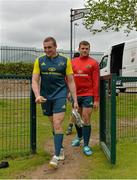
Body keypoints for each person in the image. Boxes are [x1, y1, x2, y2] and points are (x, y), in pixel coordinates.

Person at [32, 37, 78, 168]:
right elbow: (34, 80)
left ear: (56, 46)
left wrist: (75, 99)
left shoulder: (64, 61)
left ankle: (56, 156)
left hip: (60, 95)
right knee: (53, 124)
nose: (47, 50)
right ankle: (61, 148)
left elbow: (70, 81)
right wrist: (37, 95)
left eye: (49, 47)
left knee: (57, 123)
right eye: (45, 48)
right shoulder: (39, 61)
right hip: (45, 97)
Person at [71, 40, 99, 156]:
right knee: (76, 117)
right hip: (76, 95)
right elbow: (68, 79)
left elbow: (96, 82)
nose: (84, 50)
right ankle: (80, 136)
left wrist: (96, 99)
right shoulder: (72, 62)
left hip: (88, 94)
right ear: (79, 49)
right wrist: (69, 92)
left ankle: (86, 145)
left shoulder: (93, 63)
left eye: (87, 48)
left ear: (89, 49)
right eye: (82, 48)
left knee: (86, 118)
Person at [66, 52, 80, 135]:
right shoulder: (70, 66)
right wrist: (68, 92)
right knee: (74, 110)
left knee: (77, 110)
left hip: (83, 92)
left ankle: (72, 126)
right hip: (73, 92)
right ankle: (70, 126)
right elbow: (68, 80)